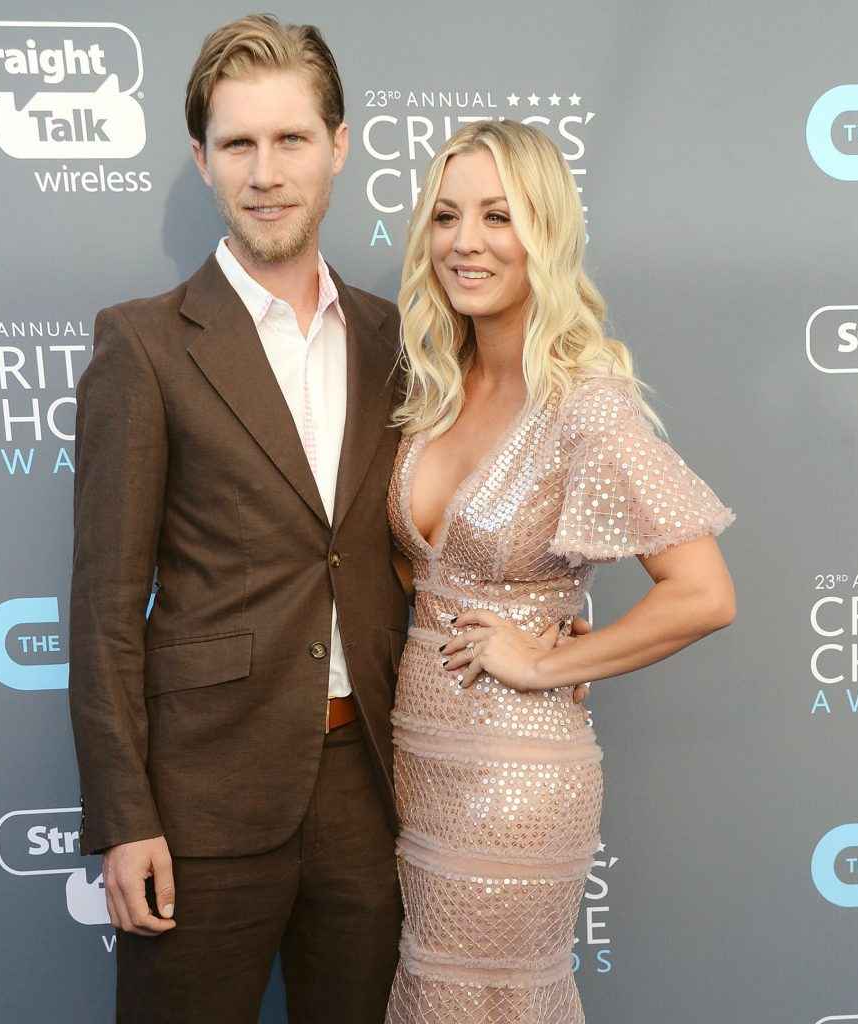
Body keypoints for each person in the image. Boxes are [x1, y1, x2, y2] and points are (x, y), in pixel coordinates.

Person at [68, 16, 408, 1023]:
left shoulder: (394, 338)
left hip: (370, 790)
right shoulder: (144, 345)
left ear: (338, 147)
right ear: (202, 159)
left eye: (291, 139)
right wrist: (125, 817)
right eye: (238, 144)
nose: (265, 172)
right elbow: (104, 606)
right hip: (200, 801)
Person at [384, 120, 737, 1023]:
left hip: (518, 777)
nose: (466, 242)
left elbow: (703, 594)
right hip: (418, 762)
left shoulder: (586, 404)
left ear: (546, 233)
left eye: (498, 216)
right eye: (447, 216)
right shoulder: (436, 384)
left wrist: (548, 662)